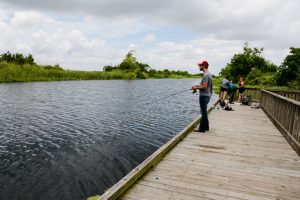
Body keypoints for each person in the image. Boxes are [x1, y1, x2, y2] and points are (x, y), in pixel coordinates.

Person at [191, 60, 213, 133]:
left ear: (203, 66)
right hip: (207, 95)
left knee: (203, 112)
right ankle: (206, 127)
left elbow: (205, 87)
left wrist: (196, 88)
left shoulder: (206, 75)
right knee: (204, 112)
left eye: (200, 66)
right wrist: (195, 87)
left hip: (204, 96)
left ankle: (201, 129)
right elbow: (202, 85)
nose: (199, 67)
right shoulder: (208, 74)